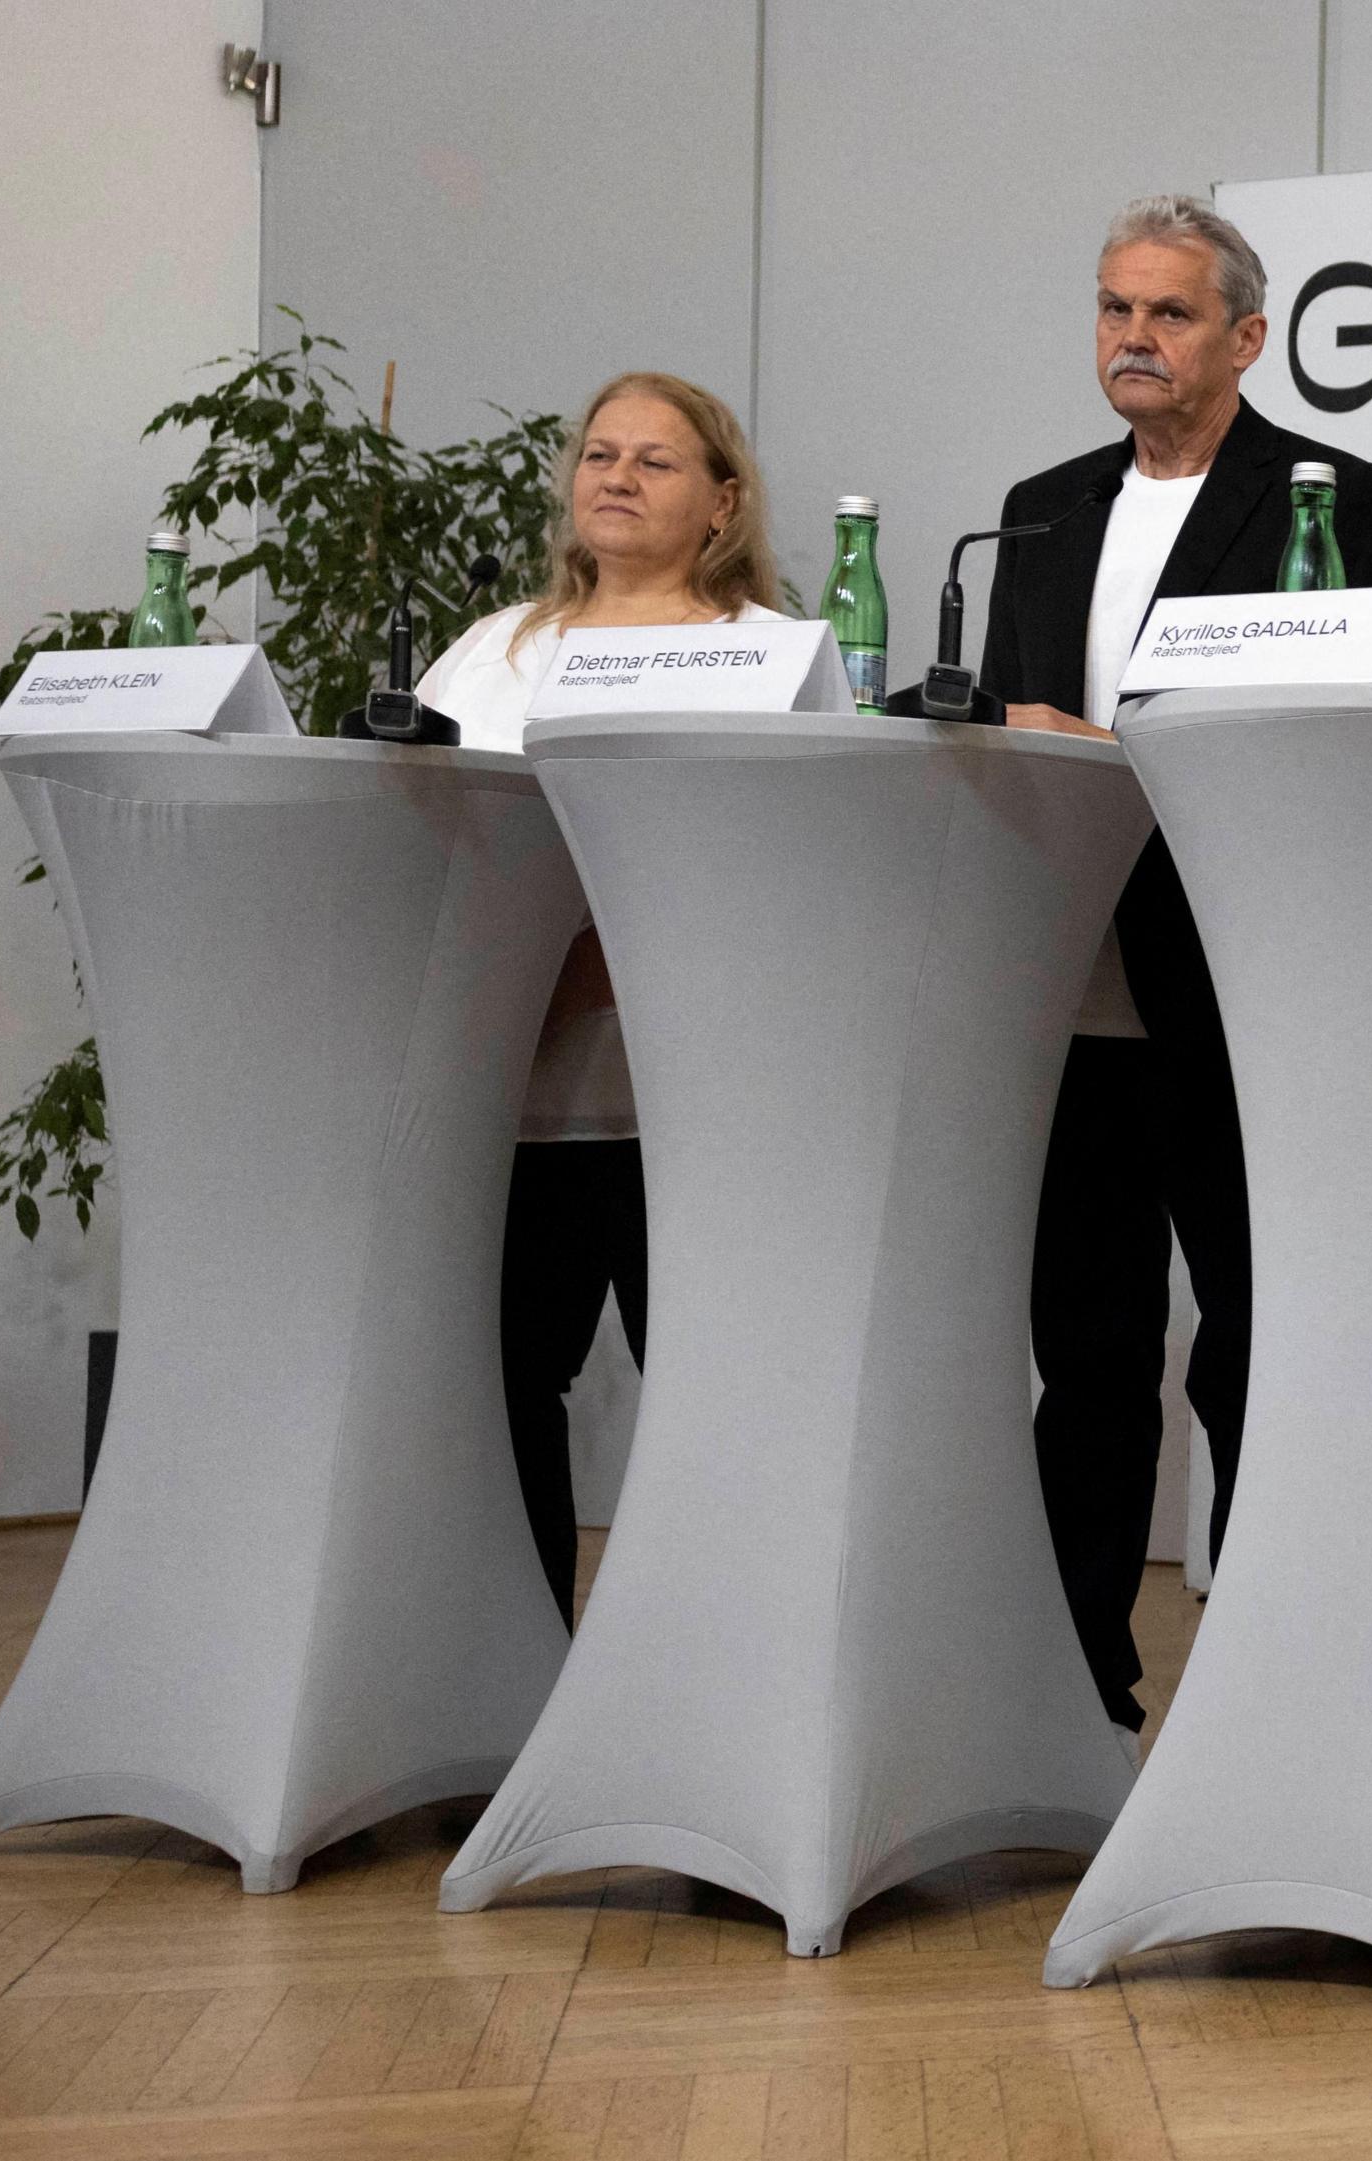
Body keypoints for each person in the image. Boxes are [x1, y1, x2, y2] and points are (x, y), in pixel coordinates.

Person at [978, 195, 1372, 1735]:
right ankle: (1071, 1679)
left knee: (1254, 1341)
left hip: (1236, 985)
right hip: (1067, 987)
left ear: (1246, 335)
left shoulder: (1337, 495)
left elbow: (1337, 739)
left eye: (1166, 315)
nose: (1133, 340)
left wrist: (1118, 752)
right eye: (1112, 310)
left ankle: (1274, 1680)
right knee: (1083, 1351)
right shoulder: (1037, 508)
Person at [415, 369, 787, 1622]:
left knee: (720, 1410)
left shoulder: (768, 658)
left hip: (692, 1114)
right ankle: (524, 1681)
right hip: (508, 1110)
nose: (616, 478)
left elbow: (789, 881)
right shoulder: (489, 651)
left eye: (656, 461)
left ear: (722, 503)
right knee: (501, 1395)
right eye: (600, 454)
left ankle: (703, 1684)